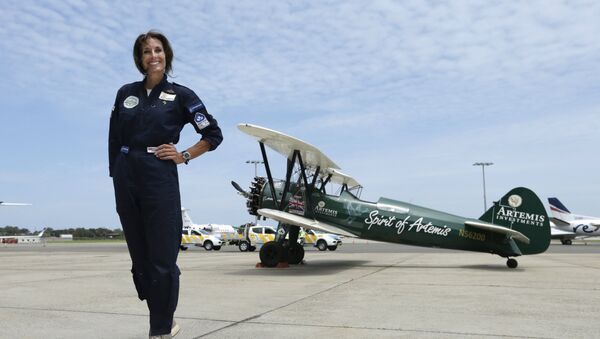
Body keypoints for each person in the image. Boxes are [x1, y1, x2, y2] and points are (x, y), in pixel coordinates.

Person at [108, 30, 223, 338]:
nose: (153, 56)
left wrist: (183, 154)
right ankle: (161, 316)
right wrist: (116, 172)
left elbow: (212, 134)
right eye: (147, 52)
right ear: (140, 59)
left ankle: (160, 327)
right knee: (140, 260)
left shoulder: (182, 94)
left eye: (158, 50)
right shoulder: (125, 93)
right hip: (126, 175)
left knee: (161, 257)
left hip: (159, 176)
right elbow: (114, 137)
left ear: (166, 56)